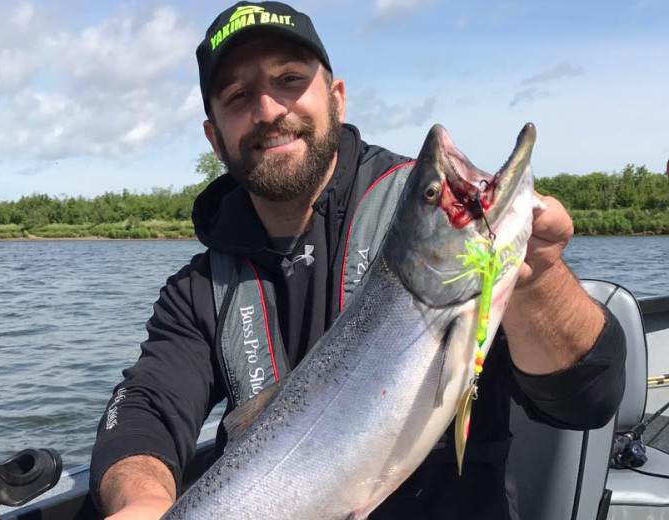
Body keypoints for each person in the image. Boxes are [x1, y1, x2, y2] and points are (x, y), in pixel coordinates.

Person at [90, 2, 626, 519]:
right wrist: (140, 501)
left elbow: (587, 403)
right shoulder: (199, 290)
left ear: (337, 97)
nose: (269, 110)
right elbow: (143, 407)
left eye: (290, 79)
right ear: (215, 136)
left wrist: (538, 279)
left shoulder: (420, 211)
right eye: (237, 95)